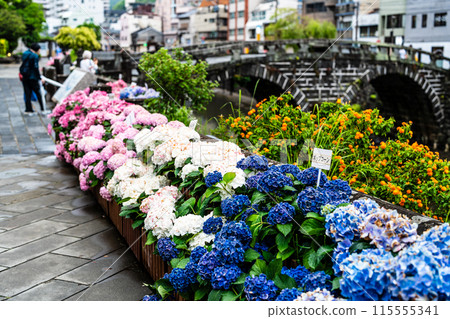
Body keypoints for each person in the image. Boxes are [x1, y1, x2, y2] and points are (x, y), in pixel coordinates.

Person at [20, 43, 45, 115]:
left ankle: (28, 109)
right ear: (37, 49)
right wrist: (40, 78)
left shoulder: (25, 53)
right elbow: (35, 68)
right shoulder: (34, 56)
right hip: (32, 77)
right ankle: (43, 109)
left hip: (25, 76)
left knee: (27, 93)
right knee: (38, 93)